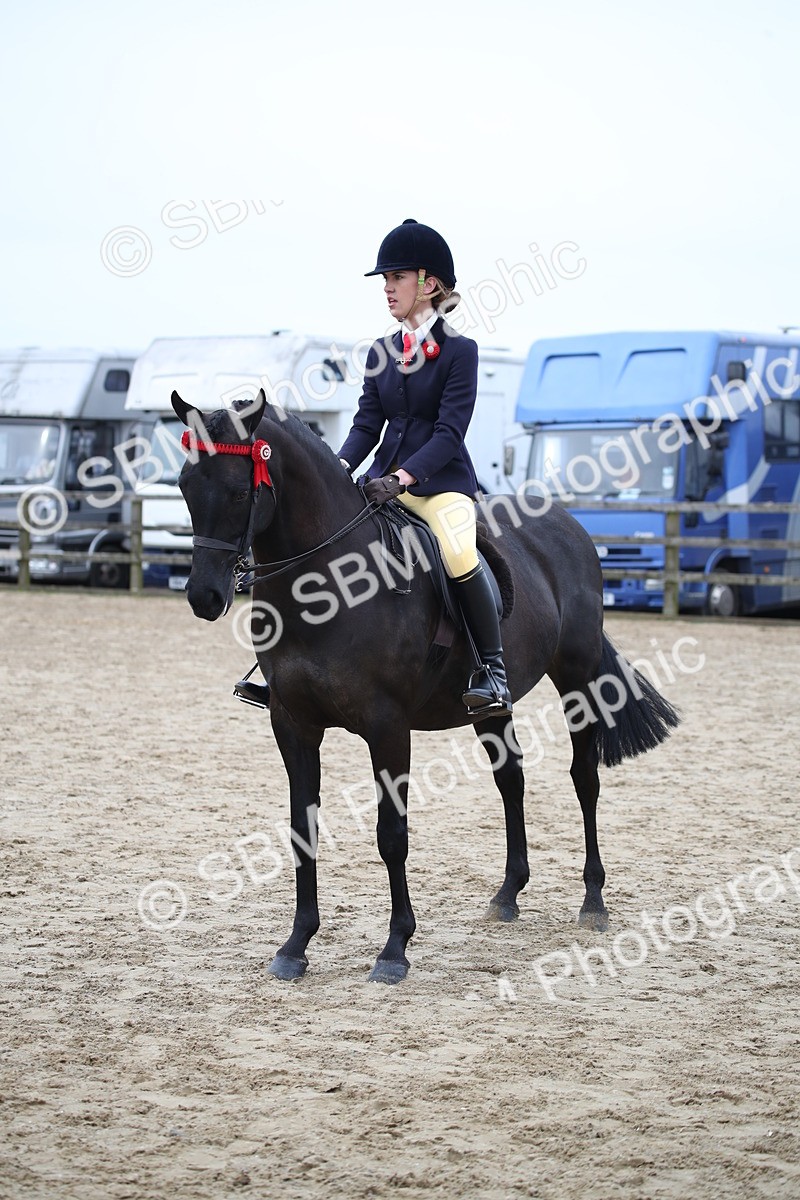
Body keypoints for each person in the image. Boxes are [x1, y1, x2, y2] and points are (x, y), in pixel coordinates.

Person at [235, 218, 512, 719]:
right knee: (321, 542)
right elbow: (367, 424)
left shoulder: (460, 352)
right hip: (380, 481)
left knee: (457, 552)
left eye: (396, 278)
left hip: (440, 485)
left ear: (428, 284)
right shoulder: (382, 353)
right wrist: (339, 466)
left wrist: (404, 477)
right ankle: (281, 666)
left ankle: (491, 671)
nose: (387, 289)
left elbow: (450, 434)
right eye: (384, 281)